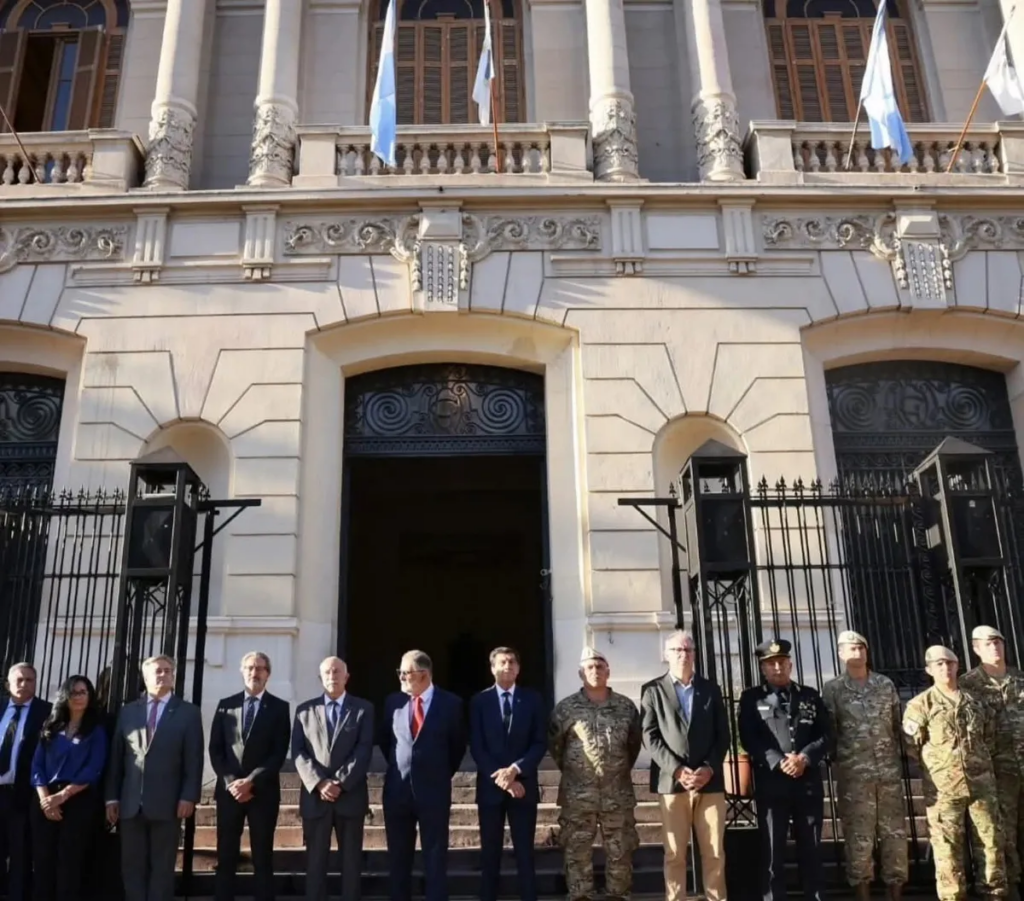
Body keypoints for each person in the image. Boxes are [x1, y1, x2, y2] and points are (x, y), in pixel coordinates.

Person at [904, 644, 1006, 900]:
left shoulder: (976, 701)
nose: (945, 668)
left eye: (950, 663)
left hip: (981, 784)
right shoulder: (921, 704)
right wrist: (941, 766)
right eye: (939, 664)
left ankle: (994, 893)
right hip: (944, 789)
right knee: (947, 848)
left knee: (991, 843)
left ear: (957, 666)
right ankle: (953, 896)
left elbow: (989, 738)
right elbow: (912, 746)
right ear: (929, 670)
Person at [104, 654, 204, 901]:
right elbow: (117, 758)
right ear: (145, 676)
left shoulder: (188, 713)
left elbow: (194, 759)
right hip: (130, 803)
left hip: (168, 803)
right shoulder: (128, 712)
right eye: (158, 671)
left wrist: (189, 796)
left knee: (162, 867)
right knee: (131, 866)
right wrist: (111, 798)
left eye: (168, 671)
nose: (163, 675)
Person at [641, 629, 729, 901]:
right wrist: (677, 769)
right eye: (677, 650)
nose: (683, 655)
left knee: (714, 852)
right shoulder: (652, 690)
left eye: (688, 650)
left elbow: (723, 734)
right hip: (672, 783)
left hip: (709, 783)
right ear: (666, 655)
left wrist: (709, 768)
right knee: (674, 853)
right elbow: (650, 736)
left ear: (694, 654)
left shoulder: (711, 689)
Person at [739, 638, 830, 901]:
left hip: (807, 781)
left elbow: (826, 734)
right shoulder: (752, 698)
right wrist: (779, 761)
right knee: (772, 849)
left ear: (790, 664)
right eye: (771, 664)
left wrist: (805, 758)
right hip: (772, 783)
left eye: (781, 662)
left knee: (811, 848)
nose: (777, 668)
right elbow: (749, 737)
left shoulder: (810, 695)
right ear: (763, 668)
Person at [549, 647, 642, 901]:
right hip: (578, 795)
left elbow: (633, 744)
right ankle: (580, 895)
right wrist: (577, 772)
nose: (595, 671)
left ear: (608, 672)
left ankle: (618, 895)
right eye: (589, 667)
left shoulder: (625, 707)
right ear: (581, 673)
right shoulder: (566, 709)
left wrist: (616, 770)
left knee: (620, 849)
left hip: (617, 793)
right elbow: (556, 746)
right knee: (576, 850)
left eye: (600, 666)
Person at [822, 630, 907, 901]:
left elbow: (896, 723)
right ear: (840, 654)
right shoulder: (833, 689)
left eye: (861, 648)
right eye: (851, 648)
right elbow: (830, 731)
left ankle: (895, 891)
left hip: (888, 773)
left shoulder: (885, 684)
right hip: (854, 776)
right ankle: (862, 892)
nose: (857, 652)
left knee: (894, 834)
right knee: (859, 837)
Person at [378, 650, 466, 901]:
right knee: (398, 859)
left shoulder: (451, 704)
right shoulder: (393, 702)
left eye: (406, 673)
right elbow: (386, 742)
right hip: (397, 792)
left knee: (435, 858)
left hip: (434, 792)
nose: (401, 677)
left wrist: (437, 774)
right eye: (400, 672)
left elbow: (457, 746)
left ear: (424, 674)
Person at [208, 651, 291, 901]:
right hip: (229, 793)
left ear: (268, 674)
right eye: (249, 668)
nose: (254, 673)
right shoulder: (226, 705)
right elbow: (216, 749)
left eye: (260, 668)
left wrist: (251, 782)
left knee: (262, 856)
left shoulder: (279, 708)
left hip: (263, 793)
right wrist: (231, 783)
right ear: (242, 671)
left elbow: (278, 752)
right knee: (226, 855)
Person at [292, 656, 374, 901]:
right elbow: (298, 751)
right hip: (316, 798)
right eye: (327, 672)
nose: (332, 676)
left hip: (350, 796)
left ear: (346, 677)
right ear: (320, 678)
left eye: (337, 671)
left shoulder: (363, 709)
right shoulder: (304, 711)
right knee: (315, 862)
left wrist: (340, 782)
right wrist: (319, 782)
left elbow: (364, 749)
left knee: (351, 862)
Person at [469, 646, 547, 901]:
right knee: (490, 852)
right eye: (502, 662)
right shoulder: (479, 701)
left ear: (519, 668)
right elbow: (477, 746)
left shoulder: (533, 700)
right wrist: (503, 779)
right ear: (492, 668)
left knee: (525, 852)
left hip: (524, 786)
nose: (508, 666)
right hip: (490, 788)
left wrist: (515, 770)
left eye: (512, 662)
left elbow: (539, 742)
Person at [30, 675, 108, 901]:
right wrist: (46, 799)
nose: (78, 697)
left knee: (69, 863)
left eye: (83, 692)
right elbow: (37, 765)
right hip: (45, 798)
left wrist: (63, 796)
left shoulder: (96, 731)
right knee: (43, 861)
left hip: (77, 799)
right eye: (73, 692)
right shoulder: (52, 726)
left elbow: (93, 768)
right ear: (65, 696)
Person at [961, 624, 1024, 900]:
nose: (995, 647)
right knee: (1001, 830)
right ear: (976, 648)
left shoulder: (1019, 678)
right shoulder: (968, 684)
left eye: (998, 642)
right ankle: (1009, 885)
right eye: (988, 643)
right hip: (995, 769)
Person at [0, 662, 51, 901]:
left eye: (29, 680)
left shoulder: (47, 712)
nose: (24, 684)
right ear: (8, 684)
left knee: (20, 853)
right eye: (19, 680)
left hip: (22, 793)